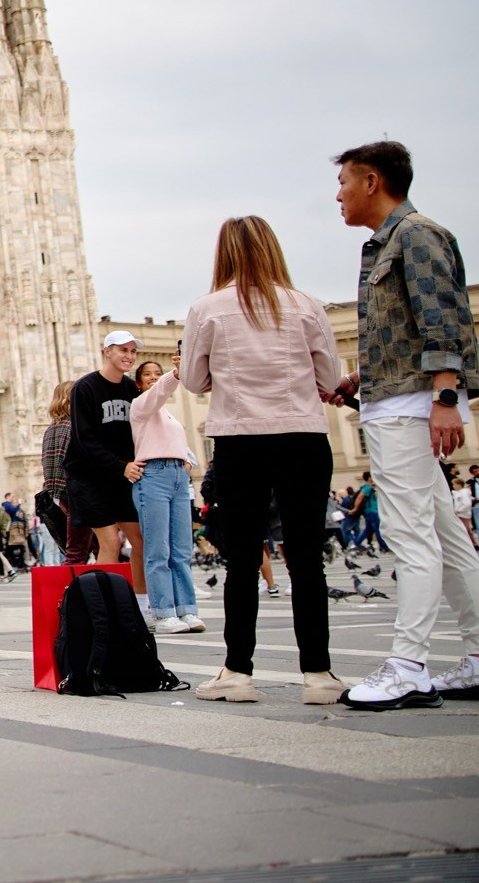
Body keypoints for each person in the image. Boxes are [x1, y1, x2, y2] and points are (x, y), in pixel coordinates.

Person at [326, 144, 479, 709]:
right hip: (394, 397)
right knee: (445, 537)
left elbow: (443, 317)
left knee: (410, 536)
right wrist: (360, 380)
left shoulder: (415, 235)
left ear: (372, 181)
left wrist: (444, 396)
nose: (337, 194)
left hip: (409, 407)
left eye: (343, 182)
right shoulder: (389, 242)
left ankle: (408, 664)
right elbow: (409, 329)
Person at [182, 214, 347, 705]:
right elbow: (331, 376)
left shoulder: (207, 308)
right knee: (305, 560)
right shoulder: (308, 306)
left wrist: (222, 378)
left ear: (224, 254)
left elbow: (192, 380)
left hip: (241, 439)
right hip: (302, 436)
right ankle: (318, 674)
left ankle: (238, 672)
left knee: (240, 560)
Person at [66, 330, 146, 596]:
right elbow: (84, 439)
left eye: (133, 351)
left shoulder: (130, 389)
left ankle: (141, 603)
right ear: (107, 351)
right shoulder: (85, 387)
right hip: (89, 476)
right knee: (110, 541)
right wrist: (120, 465)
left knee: (140, 541)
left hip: (122, 477)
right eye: (123, 350)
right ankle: (105, 607)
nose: (129, 356)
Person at [129, 358, 203, 635]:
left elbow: (179, 444)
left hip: (176, 477)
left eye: (156, 373)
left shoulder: (170, 416)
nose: (152, 378)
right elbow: (159, 392)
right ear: (138, 383)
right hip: (154, 477)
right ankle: (162, 612)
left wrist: (187, 463)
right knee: (158, 550)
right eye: (147, 374)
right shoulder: (140, 407)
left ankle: (187, 609)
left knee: (182, 548)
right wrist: (174, 374)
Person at [36, 382, 89, 566]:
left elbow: (48, 466)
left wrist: (58, 495)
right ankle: (73, 591)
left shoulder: (51, 429)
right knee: (79, 550)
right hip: (79, 493)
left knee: (77, 549)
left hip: (64, 495)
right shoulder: (74, 427)